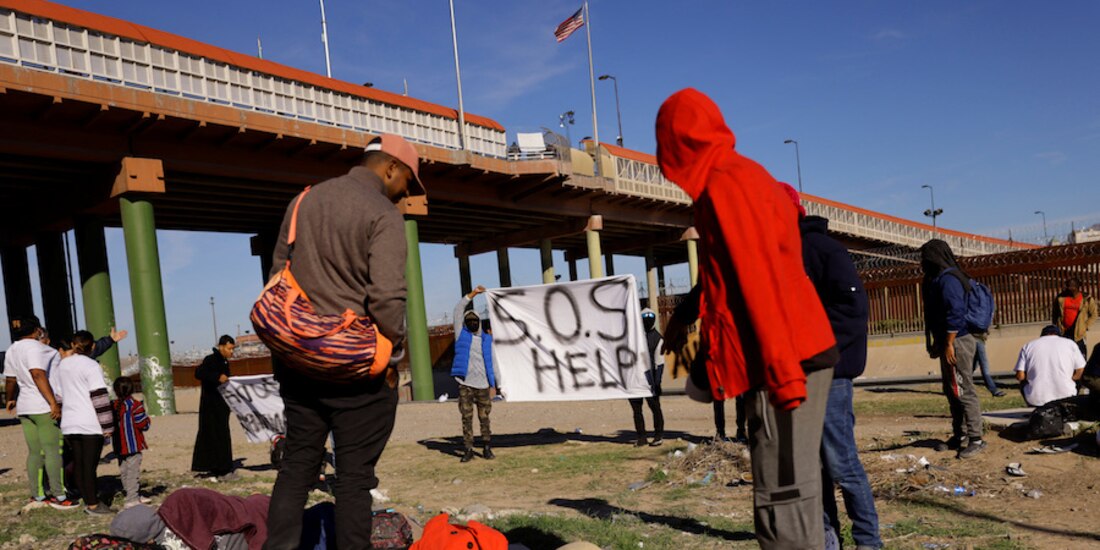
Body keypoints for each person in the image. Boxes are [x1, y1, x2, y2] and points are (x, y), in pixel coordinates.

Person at [656, 88, 838, 550]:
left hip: (785, 358)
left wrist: (782, 376)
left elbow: (759, 284)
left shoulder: (724, 186)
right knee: (795, 495)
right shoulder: (745, 175)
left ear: (676, 142)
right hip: (794, 350)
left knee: (783, 501)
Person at [265, 133, 422, 549]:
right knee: (353, 479)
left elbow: (278, 277)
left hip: (300, 367)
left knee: (297, 466)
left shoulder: (302, 202)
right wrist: (392, 356)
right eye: (408, 181)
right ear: (390, 168)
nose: (407, 192)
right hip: (355, 373)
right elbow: (387, 297)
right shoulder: (382, 214)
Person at [785, 183, 881, 550]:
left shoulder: (823, 250)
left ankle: (868, 542)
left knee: (841, 463)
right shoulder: (780, 255)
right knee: (813, 469)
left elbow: (852, 311)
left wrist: (810, 346)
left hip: (831, 375)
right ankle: (828, 541)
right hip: (798, 375)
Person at [3, 316, 79, 509]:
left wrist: (9, 398)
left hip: (25, 407)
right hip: (43, 407)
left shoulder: (12, 349)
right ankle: (59, 496)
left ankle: (37, 495)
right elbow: (38, 373)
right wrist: (53, 402)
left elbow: (10, 379)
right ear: (37, 331)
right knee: (54, 452)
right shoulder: (39, 348)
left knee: (35, 453)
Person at [920, 239, 986, 459]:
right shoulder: (936, 279)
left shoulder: (949, 280)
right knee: (952, 390)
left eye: (925, 257)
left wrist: (948, 344)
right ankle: (959, 435)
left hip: (957, 341)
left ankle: (976, 438)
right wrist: (936, 343)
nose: (922, 262)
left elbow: (955, 314)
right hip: (947, 341)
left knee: (963, 388)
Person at [56, 331, 115, 515]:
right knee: (89, 466)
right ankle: (93, 505)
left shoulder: (62, 365)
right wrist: (107, 426)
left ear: (73, 345)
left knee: (80, 464)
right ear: (93, 346)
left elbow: (58, 397)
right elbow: (99, 397)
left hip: (70, 422)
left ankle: (88, 498)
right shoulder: (91, 366)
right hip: (89, 422)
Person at [451, 285, 500, 462]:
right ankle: (468, 449)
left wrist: (496, 384)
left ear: (479, 322)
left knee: (484, 417)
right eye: (469, 321)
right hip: (465, 384)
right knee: (466, 418)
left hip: (483, 385)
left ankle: (487, 447)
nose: (472, 323)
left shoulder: (486, 340)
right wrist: (473, 294)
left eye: (475, 320)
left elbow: (493, 363)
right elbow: (458, 310)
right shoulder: (461, 335)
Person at [192, 335, 237, 481]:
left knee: (220, 436)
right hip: (211, 407)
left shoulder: (224, 362)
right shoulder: (211, 360)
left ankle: (219, 468)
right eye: (230, 349)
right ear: (222, 346)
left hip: (221, 406)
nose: (231, 352)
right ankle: (221, 470)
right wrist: (217, 376)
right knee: (215, 436)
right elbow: (199, 373)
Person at [1014, 325, 1086, 407]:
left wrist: (1032, 377)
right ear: (1059, 335)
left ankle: (1033, 405)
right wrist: (1069, 379)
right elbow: (1081, 371)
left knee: (1023, 382)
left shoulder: (1028, 346)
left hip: (1036, 400)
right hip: (1067, 396)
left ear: (1042, 335)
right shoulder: (1070, 344)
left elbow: (1020, 376)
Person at [629, 308, 666, 447]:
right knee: (637, 410)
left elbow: (659, 362)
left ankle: (658, 435)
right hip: (635, 379)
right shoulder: (635, 337)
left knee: (655, 408)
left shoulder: (658, 339)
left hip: (649, 381)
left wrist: (657, 383)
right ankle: (641, 437)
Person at [113, 376, 151, 508]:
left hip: (119, 445)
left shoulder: (114, 405)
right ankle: (132, 499)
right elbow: (143, 425)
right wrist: (148, 419)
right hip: (133, 445)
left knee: (124, 471)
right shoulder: (135, 405)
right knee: (133, 473)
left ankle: (130, 493)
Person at [1052, 277, 1097, 358]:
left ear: (1076, 287)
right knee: (1065, 358)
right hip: (1063, 333)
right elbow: (1055, 313)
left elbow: (1094, 315)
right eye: (1067, 285)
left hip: (1079, 335)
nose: (1066, 288)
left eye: (1069, 286)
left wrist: (1085, 326)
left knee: (1081, 358)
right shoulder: (1060, 298)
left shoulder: (1087, 299)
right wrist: (1056, 326)